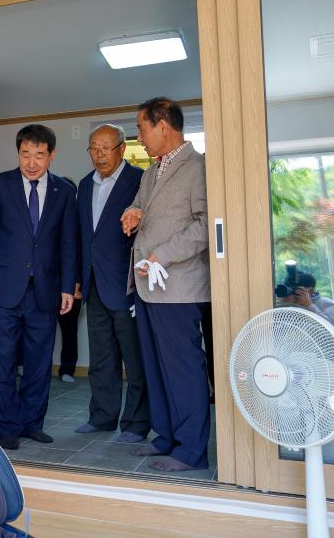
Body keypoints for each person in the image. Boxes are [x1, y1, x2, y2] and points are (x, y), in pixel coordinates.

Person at [0, 124, 78, 449]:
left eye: (39, 155)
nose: (32, 163)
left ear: (51, 155)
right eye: (25, 154)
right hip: (3, 289)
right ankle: (7, 426)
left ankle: (33, 423)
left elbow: (68, 243)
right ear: (18, 153)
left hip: (45, 291)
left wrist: (68, 286)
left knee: (39, 361)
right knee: (3, 360)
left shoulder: (64, 191)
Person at [120, 97, 210, 472]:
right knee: (156, 368)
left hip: (180, 287)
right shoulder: (150, 172)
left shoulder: (198, 167)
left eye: (142, 129)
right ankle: (167, 437)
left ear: (162, 125)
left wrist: (163, 255)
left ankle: (191, 451)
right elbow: (140, 206)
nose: (139, 137)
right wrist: (132, 213)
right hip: (147, 287)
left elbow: (206, 225)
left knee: (183, 370)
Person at [74, 124, 150, 442]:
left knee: (135, 358)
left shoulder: (140, 180)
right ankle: (102, 417)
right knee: (101, 357)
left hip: (127, 284)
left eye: (106, 147)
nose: (99, 154)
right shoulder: (84, 185)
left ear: (122, 148)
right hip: (94, 284)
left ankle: (136, 423)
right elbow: (82, 237)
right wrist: (77, 278)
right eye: (94, 148)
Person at [57, 177, 82, 384]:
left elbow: (82, 255)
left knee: (69, 329)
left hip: (72, 284)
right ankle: (23, 365)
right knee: (37, 328)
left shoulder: (80, 220)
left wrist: (78, 282)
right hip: (47, 283)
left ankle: (68, 369)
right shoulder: (47, 215)